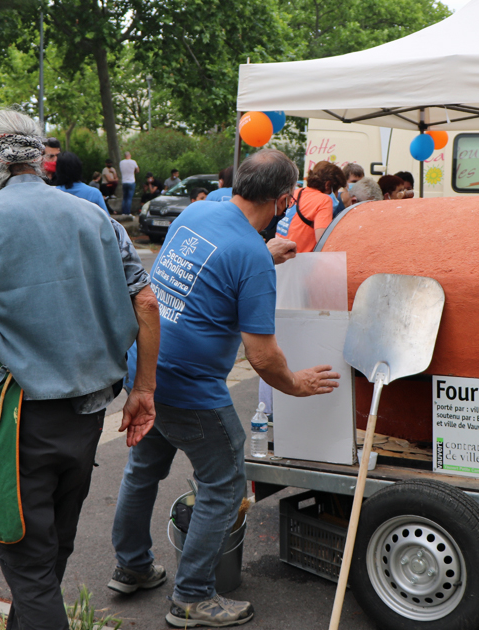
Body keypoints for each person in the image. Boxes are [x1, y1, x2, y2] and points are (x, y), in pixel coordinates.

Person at [0, 108, 159, 630]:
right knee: (52, 549)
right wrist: (144, 389)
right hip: (88, 413)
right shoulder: (98, 217)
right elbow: (146, 303)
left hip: (20, 414)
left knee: (27, 560)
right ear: (38, 157)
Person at [110, 149, 336, 628]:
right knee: (225, 483)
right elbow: (263, 356)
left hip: (146, 373)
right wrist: (296, 385)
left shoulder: (198, 212)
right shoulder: (250, 255)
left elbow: (213, 266)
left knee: (143, 470)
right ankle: (192, 597)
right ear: (283, 201)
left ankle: (131, 566)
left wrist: (262, 256)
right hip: (191, 391)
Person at [285, 161, 345, 255]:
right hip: (301, 259)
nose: (337, 195)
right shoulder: (324, 200)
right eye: (336, 190)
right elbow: (323, 240)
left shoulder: (298, 192)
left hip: (283, 255)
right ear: (328, 185)